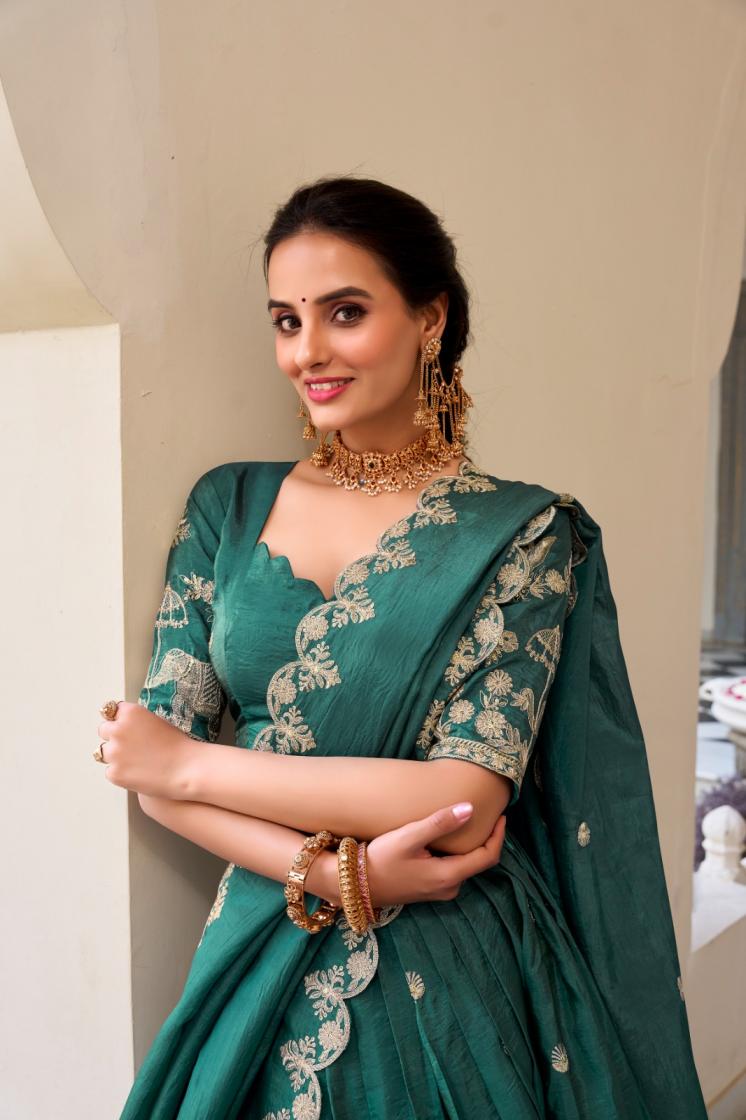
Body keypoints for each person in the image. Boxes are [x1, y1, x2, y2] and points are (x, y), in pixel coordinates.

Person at [100, 176, 708, 1119]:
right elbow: (150, 778)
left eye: (345, 312)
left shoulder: (523, 534)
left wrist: (193, 764)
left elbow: (461, 803)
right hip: (255, 946)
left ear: (431, 318)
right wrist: (336, 874)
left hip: (448, 968)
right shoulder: (228, 505)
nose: (308, 351)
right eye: (287, 321)